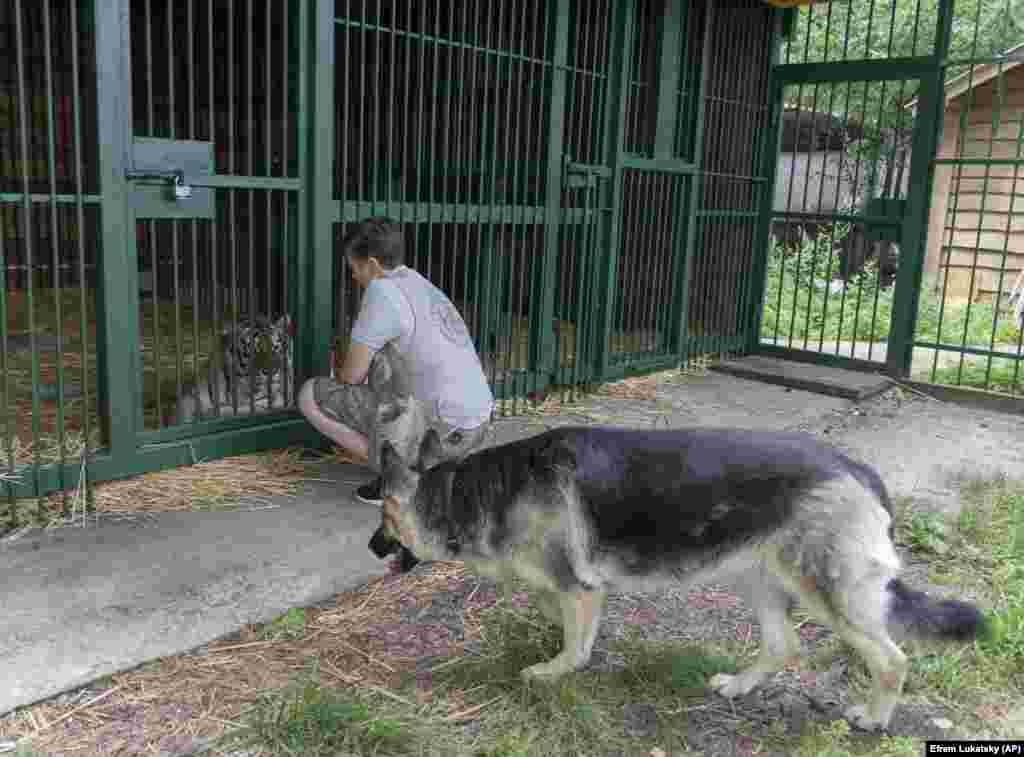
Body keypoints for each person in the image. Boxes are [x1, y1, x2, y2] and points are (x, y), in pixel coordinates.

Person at [297, 217, 495, 510]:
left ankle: (399, 478)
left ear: (374, 265)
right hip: (477, 429)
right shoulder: (418, 282)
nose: (354, 276)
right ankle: (429, 470)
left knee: (310, 394)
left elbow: (351, 376)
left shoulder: (381, 292)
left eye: (355, 268)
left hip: (440, 433)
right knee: (390, 366)